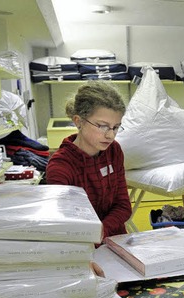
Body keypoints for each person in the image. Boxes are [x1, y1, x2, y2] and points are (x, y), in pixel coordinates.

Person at [46, 80, 132, 239]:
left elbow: (123, 206)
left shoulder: (114, 151)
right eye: (102, 126)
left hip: (115, 242)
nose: (110, 135)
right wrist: (94, 234)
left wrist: (102, 230)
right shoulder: (61, 166)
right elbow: (64, 223)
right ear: (79, 121)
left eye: (116, 127)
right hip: (81, 247)